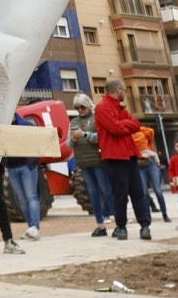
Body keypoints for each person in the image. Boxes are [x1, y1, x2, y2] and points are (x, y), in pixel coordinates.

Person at [95, 79, 152, 241]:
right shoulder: (102, 108)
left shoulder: (119, 108)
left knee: (138, 192)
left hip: (129, 155)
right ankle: (121, 226)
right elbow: (116, 129)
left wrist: (124, 123)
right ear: (118, 90)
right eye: (124, 91)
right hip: (115, 156)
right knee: (120, 194)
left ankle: (144, 225)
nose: (125, 94)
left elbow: (136, 125)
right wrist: (125, 124)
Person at [68, 94, 113, 236]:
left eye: (82, 107)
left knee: (106, 191)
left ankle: (112, 216)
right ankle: (100, 225)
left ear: (88, 106)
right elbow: (69, 144)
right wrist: (73, 139)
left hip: (98, 161)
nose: (80, 110)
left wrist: (86, 135)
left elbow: (102, 138)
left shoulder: (96, 119)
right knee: (93, 194)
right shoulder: (74, 121)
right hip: (83, 163)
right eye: (77, 107)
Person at [2, 108, 42, 244]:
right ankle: (31, 227)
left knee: (31, 197)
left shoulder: (26, 126)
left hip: (26, 166)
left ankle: (35, 227)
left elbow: (36, 144)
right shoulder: (3, 129)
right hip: (12, 168)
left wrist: (31, 163)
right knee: (22, 200)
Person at [134, 121, 169, 217]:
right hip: (139, 165)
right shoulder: (128, 136)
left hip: (151, 163)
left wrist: (137, 128)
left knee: (158, 190)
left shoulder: (144, 132)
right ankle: (147, 215)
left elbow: (151, 131)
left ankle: (164, 213)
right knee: (144, 192)